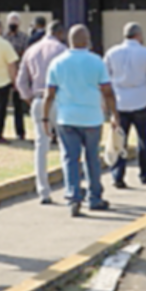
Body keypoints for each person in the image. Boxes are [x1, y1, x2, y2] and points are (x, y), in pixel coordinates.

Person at [42, 25, 118, 217]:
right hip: (92, 116)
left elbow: (49, 94)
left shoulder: (57, 62)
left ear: (69, 41)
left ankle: (73, 196)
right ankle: (95, 197)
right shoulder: (96, 61)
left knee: (70, 158)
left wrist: (45, 118)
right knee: (92, 157)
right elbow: (107, 91)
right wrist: (114, 114)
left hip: (66, 117)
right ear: (88, 40)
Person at [104, 22, 146, 189]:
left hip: (119, 101)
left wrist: (105, 104)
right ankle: (145, 174)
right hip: (141, 100)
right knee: (144, 139)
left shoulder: (112, 53)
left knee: (119, 140)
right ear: (139, 35)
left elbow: (104, 81)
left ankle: (117, 175)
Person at [17, 20, 68, 204]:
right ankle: (69, 187)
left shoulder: (31, 50)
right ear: (61, 33)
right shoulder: (62, 50)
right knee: (66, 145)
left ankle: (43, 190)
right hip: (59, 100)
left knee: (41, 146)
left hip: (38, 99)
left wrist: (29, 98)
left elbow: (21, 81)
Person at [4, 13, 30, 141]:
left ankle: (20, 132)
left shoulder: (24, 38)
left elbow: (26, 54)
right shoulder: (3, 38)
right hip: (3, 74)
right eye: (11, 22)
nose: (13, 24)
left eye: (15, 22)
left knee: (18, 106)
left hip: (18, 73)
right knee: (0, 105)